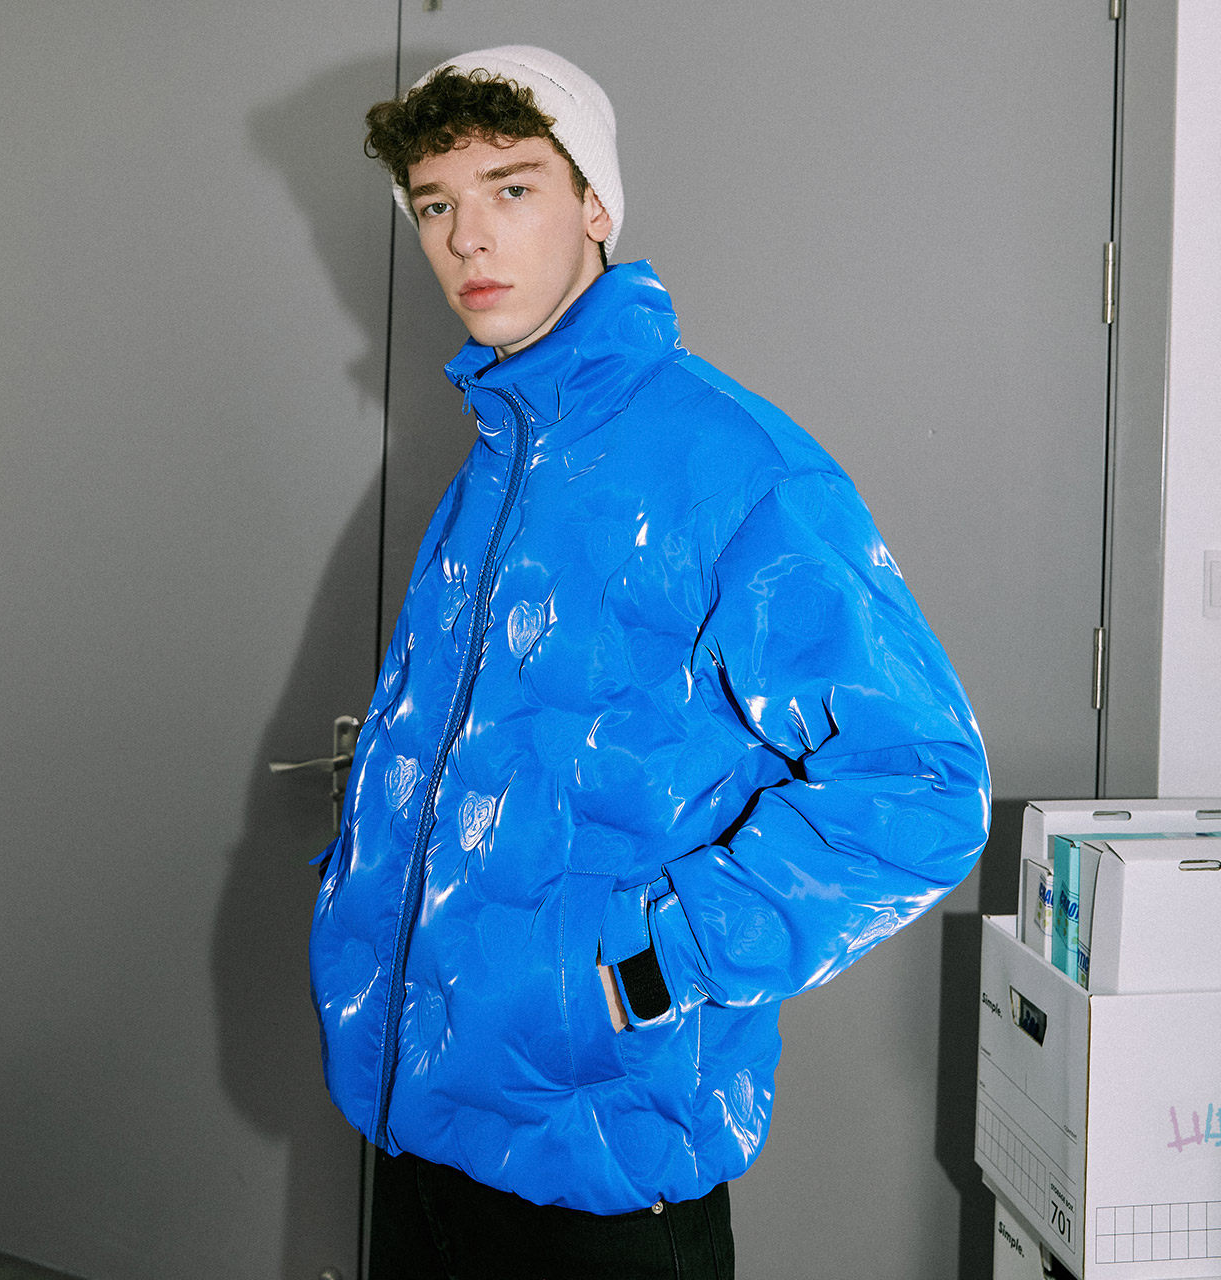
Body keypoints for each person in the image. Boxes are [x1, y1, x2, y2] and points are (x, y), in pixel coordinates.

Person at [309, 45, 991, 1279]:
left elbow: (922, 785)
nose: (467, 237)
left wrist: (649, 960)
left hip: (600, 1166)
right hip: (419, 1120)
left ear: (594, 206)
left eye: (511, 188)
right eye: (435, 204)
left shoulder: (732, 468)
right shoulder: (501, 454)